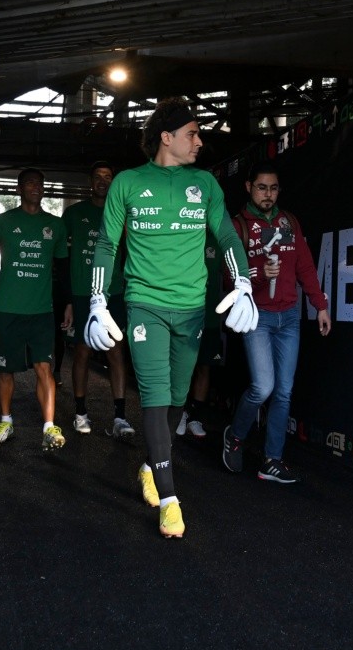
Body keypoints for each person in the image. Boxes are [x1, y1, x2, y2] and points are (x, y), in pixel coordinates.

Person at [85, 96, 258, 538]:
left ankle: (149, 464)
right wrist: (97, 301)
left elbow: (225, 235)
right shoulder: (127, 183)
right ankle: (169, 499)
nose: (200, 141)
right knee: (157, 395)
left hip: (193, 308)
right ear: (167, 137)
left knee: (178, 397)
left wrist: (243, 283)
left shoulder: (205, 183)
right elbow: (107, 245)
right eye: (192, 134)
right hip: (144, 303)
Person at [222, 160, 332, 483]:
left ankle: (272, 458)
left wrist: (320, 306)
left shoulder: (289, 223)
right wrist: (255, 274)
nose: (267, 194)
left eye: (273, 188)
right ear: (248, 187)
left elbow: (306, 269)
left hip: (290, 318)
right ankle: (235, 435)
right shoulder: (238, 225)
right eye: (261, 187)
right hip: (257, 316)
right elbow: (227, 279)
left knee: (283, 392)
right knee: (263, 386)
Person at [0, 168, 71, 452]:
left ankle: (49, 427)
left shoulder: (55, 226)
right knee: (5, 369)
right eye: (30, 184)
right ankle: (5, 421)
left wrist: (69, 303)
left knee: (44, 367)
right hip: (9, 310)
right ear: (19, 189)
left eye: (40, 183)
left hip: (42, 312)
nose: (36, 187)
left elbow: (63, 269)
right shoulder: (3, 221)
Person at [63, 161, 134, 438]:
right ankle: (80, 413)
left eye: (108, 176)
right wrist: (67, 298)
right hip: (83, 293)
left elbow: (134, 252)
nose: (103, 181)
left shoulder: (122, 214)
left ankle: (120, 418)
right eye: (98, 177)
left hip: (114, 292)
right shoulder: (73, 214)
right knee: (82, 351)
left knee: (116, 351)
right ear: (90, 182)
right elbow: (62, 257)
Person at [176, 230, 223, 438]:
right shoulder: (184, 235)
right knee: (183, 367)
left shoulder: (218, 241)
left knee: (205, 367)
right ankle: (178, 414)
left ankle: (194, 417)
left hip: (211, 317)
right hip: (185, 317)